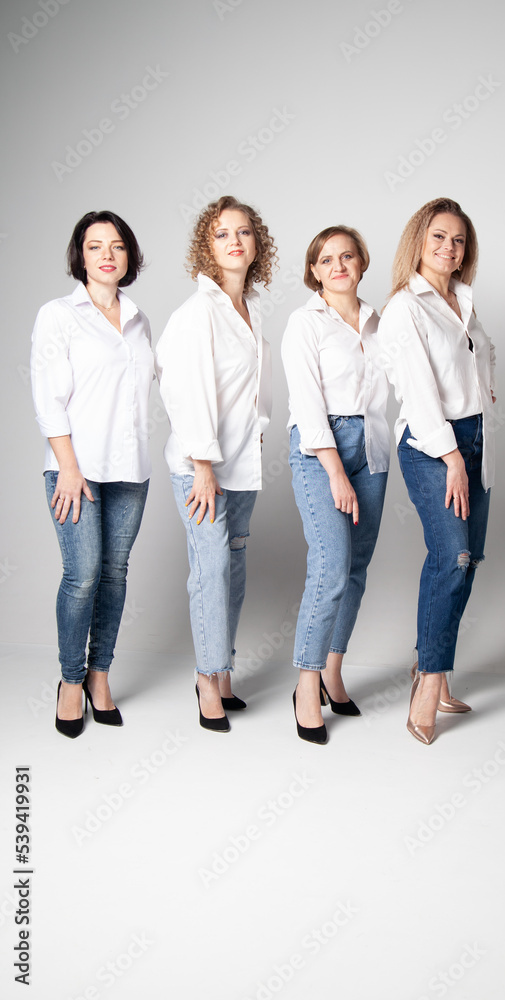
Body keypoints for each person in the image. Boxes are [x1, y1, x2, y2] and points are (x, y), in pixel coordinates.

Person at [155, 196, 276, 732]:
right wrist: (202, 462)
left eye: (244, 232)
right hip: (201, 467)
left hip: (242, 462)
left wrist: (259, 427)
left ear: (257, 244)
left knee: (235, 568)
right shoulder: (198, 311)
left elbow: (250, 385)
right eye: (222, 233)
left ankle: (223, 669)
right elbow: (183, 389)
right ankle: (207, 678)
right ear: (207, 246)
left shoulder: (249, 308)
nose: (234, 241)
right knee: (211, 570)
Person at [378, 198, 496, 745]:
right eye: (439, 237)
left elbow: (476, 371)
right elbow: (419, 391)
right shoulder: (406, 307)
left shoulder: (463, 301)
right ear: (418, 242)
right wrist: (452, 458)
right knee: (453, 556)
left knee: (469, 563)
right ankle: (426, 684)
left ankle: (436, 668)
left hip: (477, 440)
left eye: (458, 240)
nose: (450, 248)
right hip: (433, 444)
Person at [31, 210, 153, 738]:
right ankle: (70, 680)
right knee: (82, 576)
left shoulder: (140, 320)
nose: (107, 254)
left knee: (114, 574)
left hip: (130, 470)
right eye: (95, 245)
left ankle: (100, 676)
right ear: (80, 256)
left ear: (129, 256)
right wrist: (68, 468)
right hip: (75, 471)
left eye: (117, 245)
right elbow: (48, 399)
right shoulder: (58, 315)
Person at [282, 226, 390, 744]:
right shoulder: (305, 323)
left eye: (347, 256)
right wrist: (335, 471)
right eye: (327, 259)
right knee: (330, 567)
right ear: (314, 271)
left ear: (361, 262)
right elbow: (306, 403)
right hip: (321, 446)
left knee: (355, 568)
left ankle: (332, 671)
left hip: (373, 444)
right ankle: (306, 685)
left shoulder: (379, 321)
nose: (338, 266)